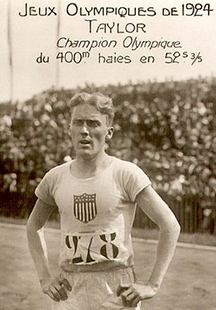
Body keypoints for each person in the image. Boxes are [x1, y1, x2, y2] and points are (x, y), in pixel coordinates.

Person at [26, 92, 180, 310]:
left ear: (109, 132)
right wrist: (44, 277)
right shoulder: (55, 177)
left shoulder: (125, 173)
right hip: (70, 289)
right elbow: (33, 226)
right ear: (70, 129)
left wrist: (152, 285)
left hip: (117, 289)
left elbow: (170, 225)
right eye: (78, 123)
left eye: (93, 123)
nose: (85, 131)